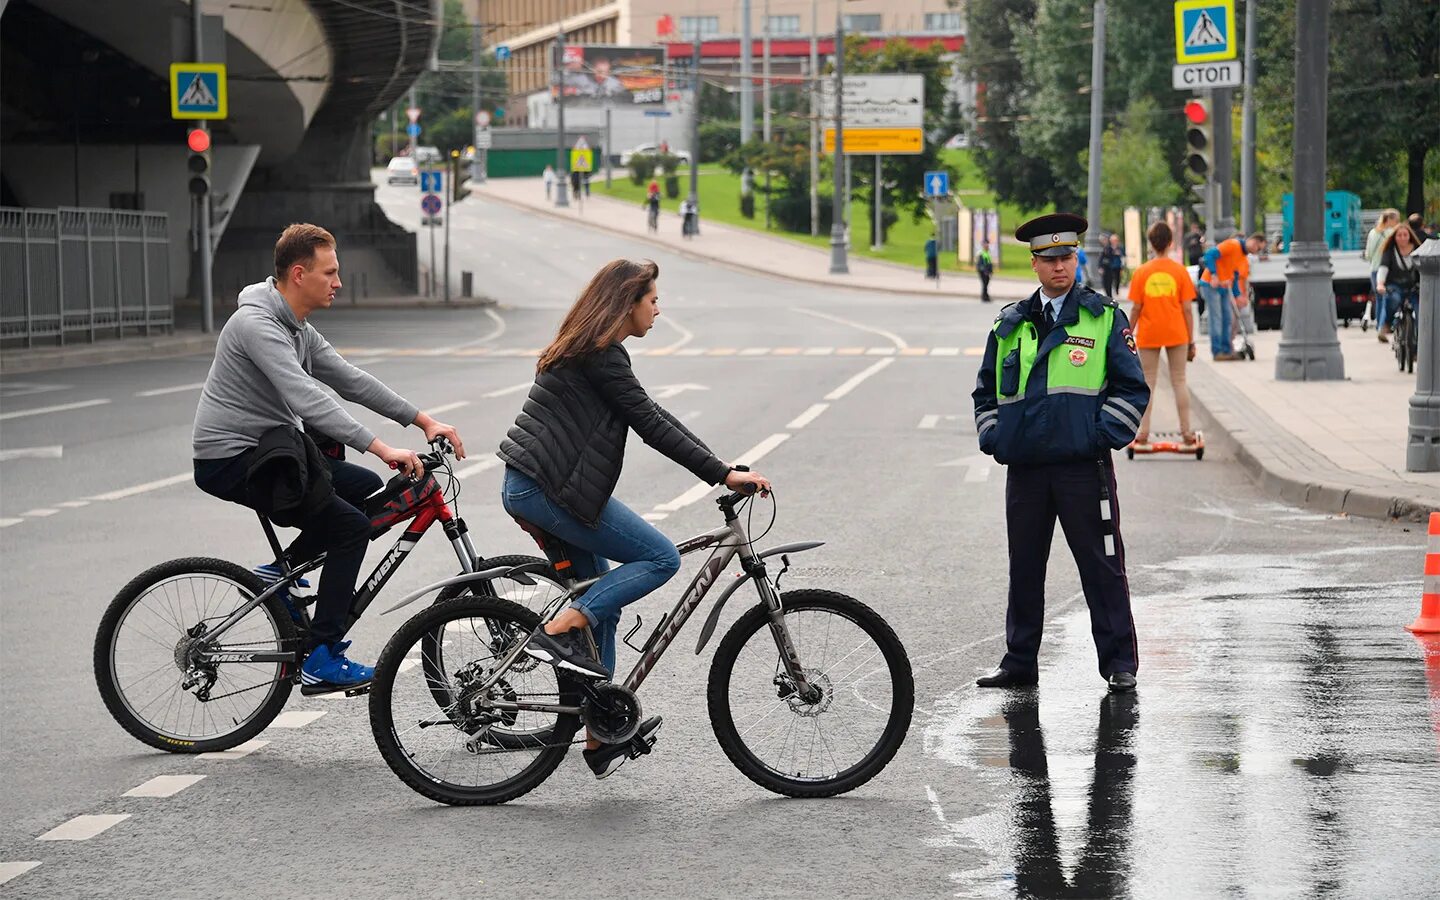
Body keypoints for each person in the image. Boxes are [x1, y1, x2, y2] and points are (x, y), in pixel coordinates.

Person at [497, 259, 771, 777]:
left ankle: (600, 735)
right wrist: (722, 476)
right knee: (660, 557)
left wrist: (721, 468)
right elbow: (649, 423)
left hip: (544, 486)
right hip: (547, 490)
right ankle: (556, 631)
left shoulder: (595, 352)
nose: (658, 309)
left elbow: (653, 413)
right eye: (652, 300)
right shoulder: (600, 356)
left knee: (603, 600)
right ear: (627, 303)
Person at [192, 224, 466, 694]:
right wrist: (381, 448)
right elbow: (306, 398)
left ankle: (282, 572)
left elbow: (350, 380)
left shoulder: (295, 326)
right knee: (350, 527)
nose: (339, 281)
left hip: (271, 452)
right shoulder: (257, 325)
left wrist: (422, 420)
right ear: (299, 274)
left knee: (360, 487)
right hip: (232, 458)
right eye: (331, 272)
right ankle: (321, 654)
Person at [972, 213, 1149, 694]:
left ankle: (1118, 663)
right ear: (1034, 263)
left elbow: (1132, 390)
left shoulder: (1103, 317)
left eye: (1067, 257)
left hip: (1082, 468)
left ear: (1077, 259)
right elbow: (985, 393)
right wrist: (995, 437)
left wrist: (1100, 435)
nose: (1059, 267)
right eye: (1049, 259)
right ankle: (1019, 662)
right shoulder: (1009, 324)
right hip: (1027, 470)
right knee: (1025, 569)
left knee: (1102, 566)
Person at [1127, 221, 1198, 446]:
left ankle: (1143, 432)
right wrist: (1191, 339)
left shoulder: (1142, 272)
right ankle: (1187, 433)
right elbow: (1187, 309)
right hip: (1177, 332)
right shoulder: (1179, 271)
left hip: (1149, 333)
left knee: (1148, 383)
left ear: (1150, 243)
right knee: (1179, 381)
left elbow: (1136, 308)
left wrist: (1127, 333)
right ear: (1170, 242)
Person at [1198, 232, 1264, 361]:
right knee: (1216, 318)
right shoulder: (1233, 245)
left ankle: (1227, 350)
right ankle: (1217, 352)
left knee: (1227, 319)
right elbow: (1210, 255)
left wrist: (1238, 295)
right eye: (1259, 248)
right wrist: (1214, 275)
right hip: (1211, 285)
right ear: (1254, 241)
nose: (1257, 251)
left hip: (1224, 287)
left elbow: (1234, 276)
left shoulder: (1243, 258)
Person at [1376, 222, 1424, 335]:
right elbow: (1383, 268)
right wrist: (1380, 284)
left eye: (1405, 235)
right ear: (1394, 237)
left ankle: (1418, 343)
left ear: (1410, 236)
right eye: (1399, 235)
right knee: (1393, 300)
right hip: (1395, 286)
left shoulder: (1418, 250)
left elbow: (1424, 269)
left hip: (1414, 288)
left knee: (1420, 312)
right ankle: (1387, 324)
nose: (1402, 238)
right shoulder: (1389, 251)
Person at [1366, 209, 1400, 340]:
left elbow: (1368, 254)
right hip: (1388, 269)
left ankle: (1379, 326)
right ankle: (1384, 325)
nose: (1397, 223)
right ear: (1390, 220)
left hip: (1374, 269)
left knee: (1379, 299)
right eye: (1396, 220)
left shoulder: (1373, 233)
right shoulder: (1392, 233)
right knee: (1387, 297)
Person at [1100, 233, 1126, 298]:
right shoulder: (1108, 248)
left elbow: (1123, 255)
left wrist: (1119, 254)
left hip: (1118, 265)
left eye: (1115, 240)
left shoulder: (1120, 247)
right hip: (1110, 266)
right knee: (1110, 280)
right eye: (1112, 240)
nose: (1114, 241)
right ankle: (1110, 293)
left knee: (1118, 279)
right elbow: (1104, 257)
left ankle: (1117, 290)